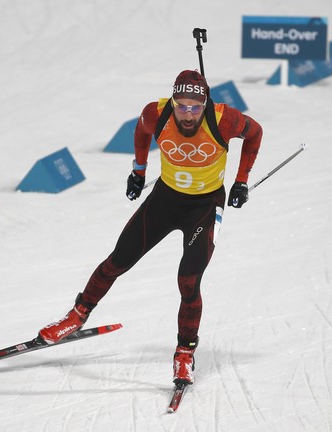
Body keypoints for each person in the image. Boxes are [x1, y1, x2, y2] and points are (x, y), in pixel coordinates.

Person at [38, 69, 262, 386]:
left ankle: (185, 352)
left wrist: (241, 181)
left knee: (188, 280)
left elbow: (255, 133)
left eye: (195, 107)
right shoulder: (156, 113)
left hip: (205, 206)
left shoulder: (224, 120)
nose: (187, 114)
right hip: (165, 200)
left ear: (205, 104)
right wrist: (138, 171)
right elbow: (141, 133)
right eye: (181, 105)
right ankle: (76, 316)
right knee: (117, 261)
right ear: (173, 100)